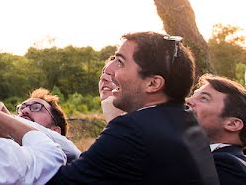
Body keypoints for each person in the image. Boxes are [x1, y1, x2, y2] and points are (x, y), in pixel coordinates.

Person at [48, 32, 218, 184]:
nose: (109, 69)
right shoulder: (185, 120)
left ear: (153, 83)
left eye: (120, 62)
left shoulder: (132, 130)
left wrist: (33, 136)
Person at [187, 74, 246, 185]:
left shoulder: (227, 167)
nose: (187, 100)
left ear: (233, 124)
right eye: (193, 95)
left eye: (203, 98)